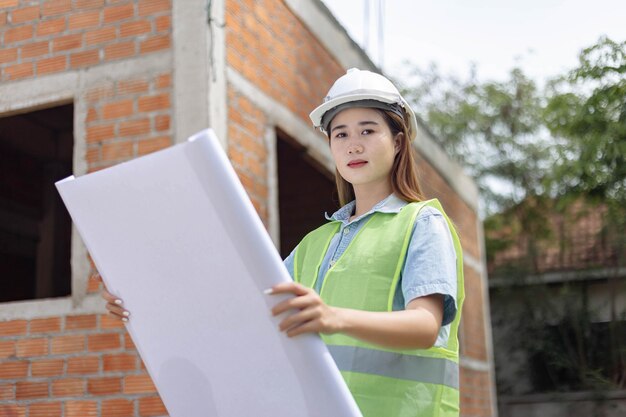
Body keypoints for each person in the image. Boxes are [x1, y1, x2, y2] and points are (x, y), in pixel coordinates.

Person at [99, 68, 464, 417]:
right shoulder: (314, 244)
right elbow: (242, 311)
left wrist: (332, 317)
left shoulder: (422, 223)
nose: (354, 146)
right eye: (341, 134)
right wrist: (143, 302)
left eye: (367, 131)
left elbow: (425, 325)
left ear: (398, 141)